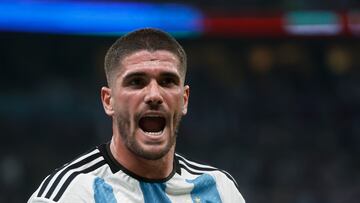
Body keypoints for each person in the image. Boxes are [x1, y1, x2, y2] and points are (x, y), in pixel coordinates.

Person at [28, 28, 245, 203]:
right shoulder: (70, 195)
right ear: (108, 101)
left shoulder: (220, 189)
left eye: (167, 81)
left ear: (184, 99)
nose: (154, 95)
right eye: (136, 82)